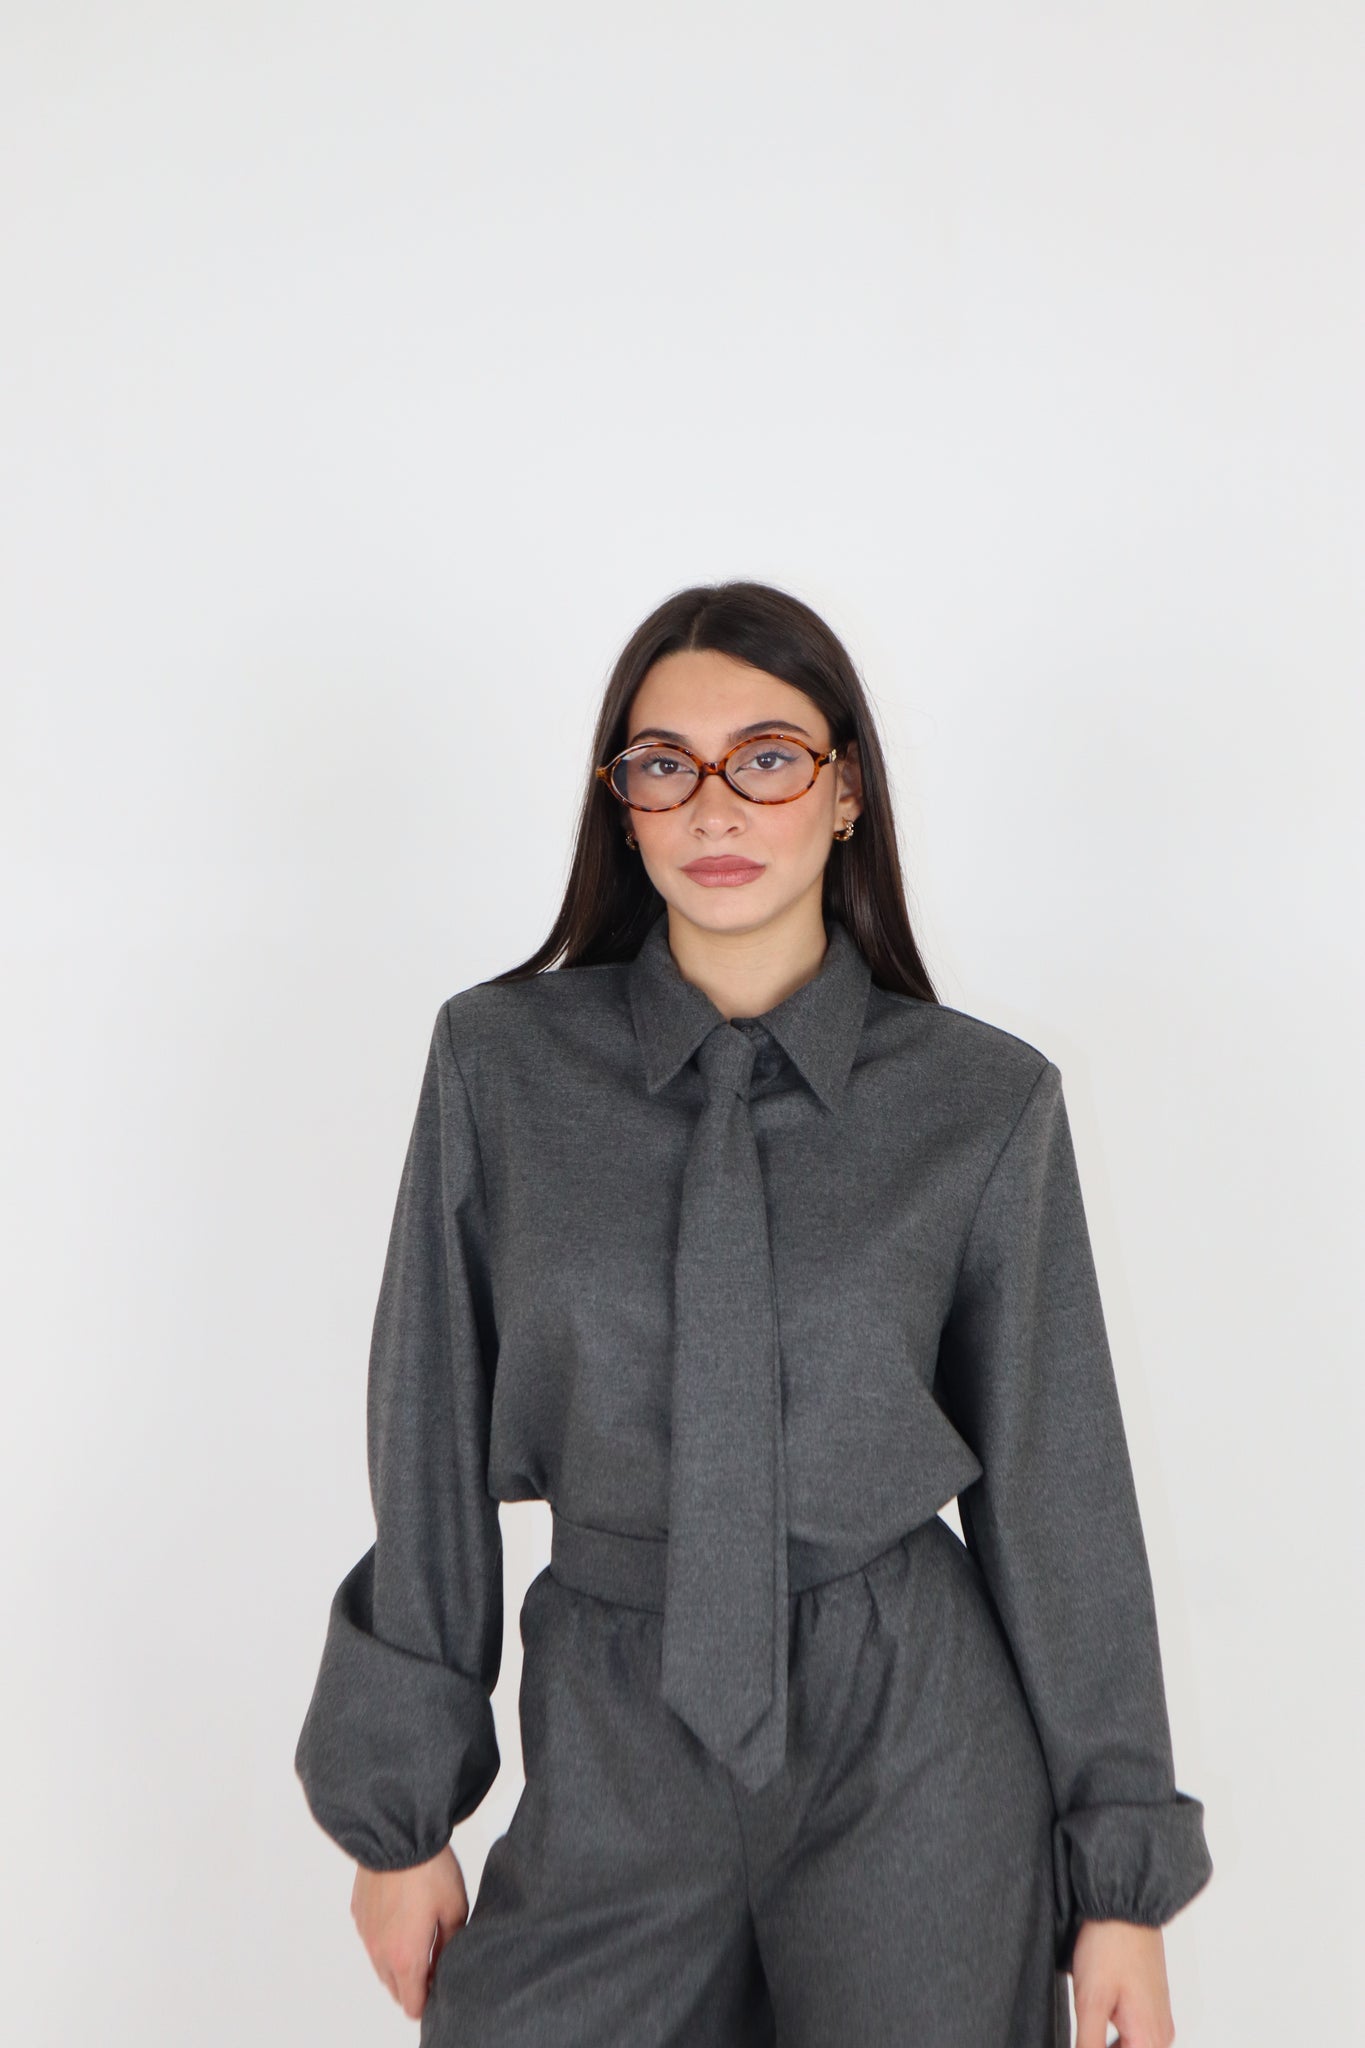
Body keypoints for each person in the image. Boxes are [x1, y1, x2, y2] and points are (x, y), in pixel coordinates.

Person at [294, 580, 1213, 2048]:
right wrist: (396, 1820)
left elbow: (1061, 1495)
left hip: (910, 1741)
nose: (715, 806)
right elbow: (424, 1438)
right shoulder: (499, 1067)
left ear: (845, 794)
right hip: (609, 1728)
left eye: (768, 759)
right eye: (665, 765)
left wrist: (1121, 1883)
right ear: (622, 807)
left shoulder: (981, 1104)